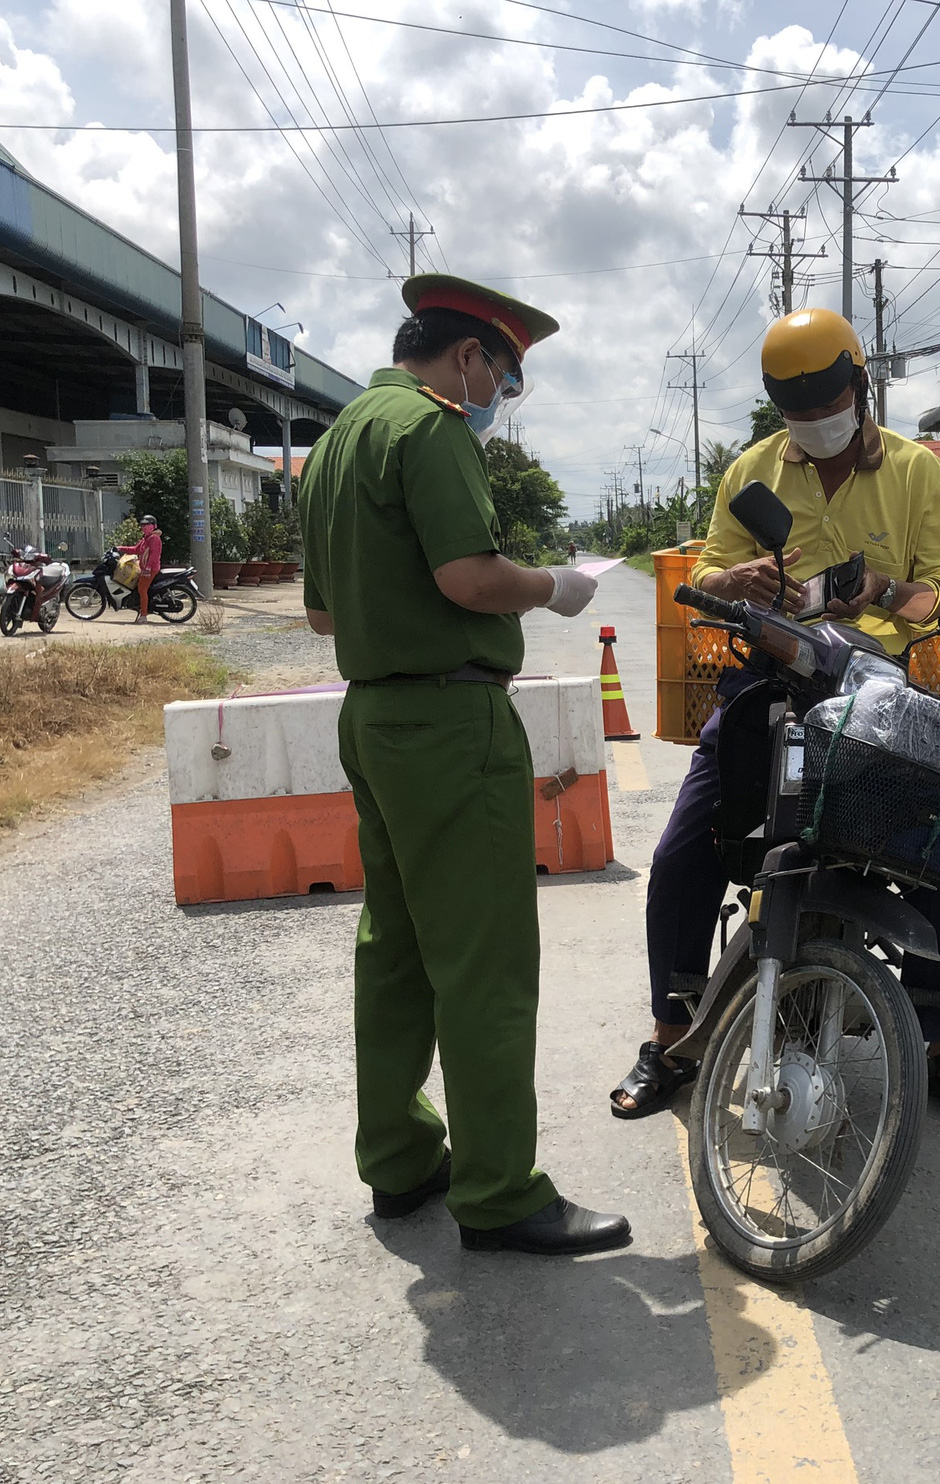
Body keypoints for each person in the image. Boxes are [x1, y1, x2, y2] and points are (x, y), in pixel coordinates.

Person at [299, 273, 630, 1256]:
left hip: (372, 718)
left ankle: (400, 1160)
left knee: (394, 947)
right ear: (470, 356)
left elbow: (321, 613)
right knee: (484, 961)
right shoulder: (428, 429)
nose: (498, 400)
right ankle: (497, 1191)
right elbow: (468, 577)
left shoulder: (336, 441)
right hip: (450, 720)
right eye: (506, 379)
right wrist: (556, 587)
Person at [611, 308, 940, 1126]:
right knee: (683, 854)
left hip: (875, 688)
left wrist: (881, 592)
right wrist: (745, 580)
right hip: (770, 673)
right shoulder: (752, 470)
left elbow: (939, 585)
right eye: (796, 412)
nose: (814, 424)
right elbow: (709, 573)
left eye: (825, 404)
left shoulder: (912, 471)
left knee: (939, 857)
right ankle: (669, 1038)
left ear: (858, 387)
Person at [128, 515, 162, 623]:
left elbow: (154, 556)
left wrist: (147, 568)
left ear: (154, 526)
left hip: (150, 569)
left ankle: (143, 616)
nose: (144, 527)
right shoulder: (146, 539)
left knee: (142, 590)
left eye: (147, 525)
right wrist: (119, 548)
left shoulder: (154, 538)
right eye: (143, 525)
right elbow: (135, 549)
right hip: (144, 568)